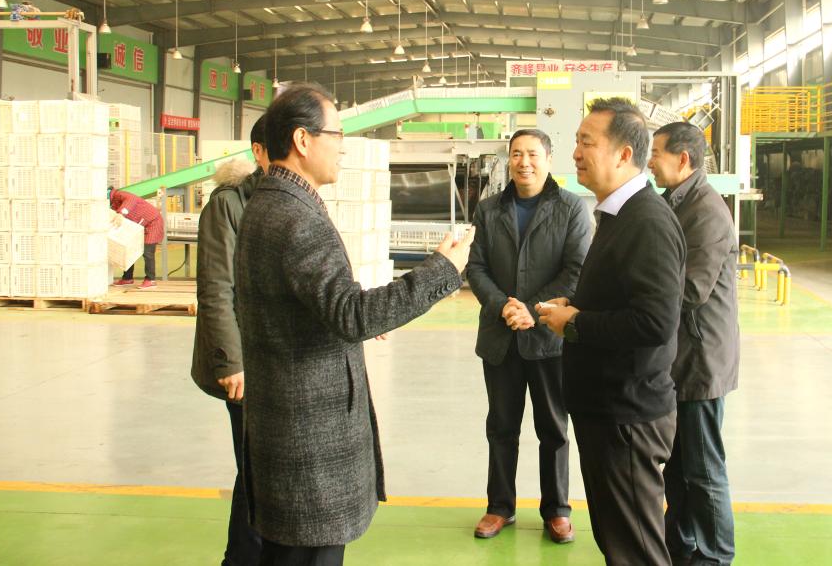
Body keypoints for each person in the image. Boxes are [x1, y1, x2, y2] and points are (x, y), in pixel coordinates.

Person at [233, 83, 475, 566]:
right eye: (337, 134)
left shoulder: (269, 203)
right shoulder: (297, 217)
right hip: (309, 435)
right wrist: (443, 270)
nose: (342, 147)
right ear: (303, 140)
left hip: (287, 422)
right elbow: (352, 315)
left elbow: (317, 307)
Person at [537, 97, 686, 566]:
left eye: (587, 142)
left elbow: (656, 321)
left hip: (628, 417)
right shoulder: (618, 214)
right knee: (619, 542)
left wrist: (576, 323)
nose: (575, 153)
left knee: (636, 550)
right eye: (576, 141)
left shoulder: (647, 221)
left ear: (623, 154)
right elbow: (627, 300)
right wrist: (577, 307)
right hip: (610, 410)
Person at [467, 129, 593, 544]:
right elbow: (476, 267)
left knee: (553, 428)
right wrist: (503, 305)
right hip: (500, 337)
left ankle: (556, 510)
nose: (524, 162)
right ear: (509, 159)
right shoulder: (489, 210)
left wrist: (531, 309)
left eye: (533, 154)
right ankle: (499, 507)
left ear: (549, 159)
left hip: (549, 339)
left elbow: (576, 270)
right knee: (501, 427)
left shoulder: (571, 209)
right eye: (517, 154)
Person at [649, 122, 739, 566]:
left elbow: (691, 291)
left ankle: (716, 556)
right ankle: (681, 546)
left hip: (701, 362)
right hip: (680, 359)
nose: (650, 162)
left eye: (657, 154)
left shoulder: (706, 211)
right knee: (679, 469)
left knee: (704, 471)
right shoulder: (677, 202)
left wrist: (636, 297)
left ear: (682, 159)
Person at [190, 114, 270, 566]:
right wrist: (230, 362)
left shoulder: (288, 200)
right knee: (256, 467)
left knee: (264, 467)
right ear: (259, 152)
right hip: (245, 361)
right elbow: (216, 288)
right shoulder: (228, 204)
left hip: (277, 358)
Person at [109, 188, 164, 289]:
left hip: (152, 222)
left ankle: (150, 280)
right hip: (138, 225)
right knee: (129, 249)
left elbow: (132, 199)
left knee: (147, 252)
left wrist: (121, 213)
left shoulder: (119, 194)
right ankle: (127, 278)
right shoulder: (112, 203)